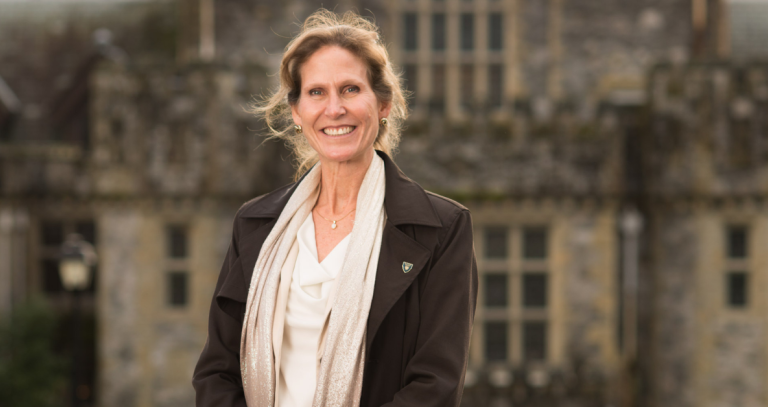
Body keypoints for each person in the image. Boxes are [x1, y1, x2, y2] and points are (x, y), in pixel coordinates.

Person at [193, 9, 477, 407]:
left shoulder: (441, 229)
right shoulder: (256, 224)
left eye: (350, 89)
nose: (334, 109)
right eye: (316, 92)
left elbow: (436, 384)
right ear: (296, 112)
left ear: (383, 103)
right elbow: (216, 371)